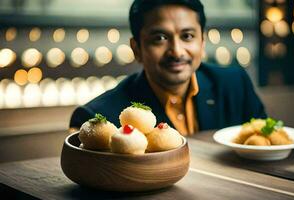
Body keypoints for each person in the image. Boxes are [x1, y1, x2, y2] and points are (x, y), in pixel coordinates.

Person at [70, 0, 266, 135]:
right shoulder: (100, 119)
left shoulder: (235, 85)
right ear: (136, 48)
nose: (176, 51)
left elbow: (268, 144)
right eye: (160, 38)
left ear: (203, 42)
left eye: (187, 36)